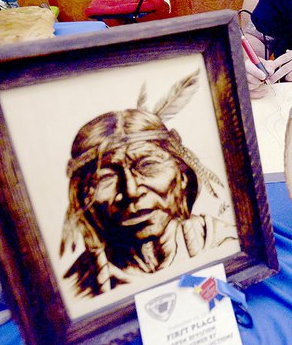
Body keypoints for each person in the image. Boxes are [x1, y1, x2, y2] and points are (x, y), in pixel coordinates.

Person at [60, 74, 236, 297]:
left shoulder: (228, 244)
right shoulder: (75, 291)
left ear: (182, 176)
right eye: (105, 178)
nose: (131, 190)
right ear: (84, 198)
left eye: (148, 165)